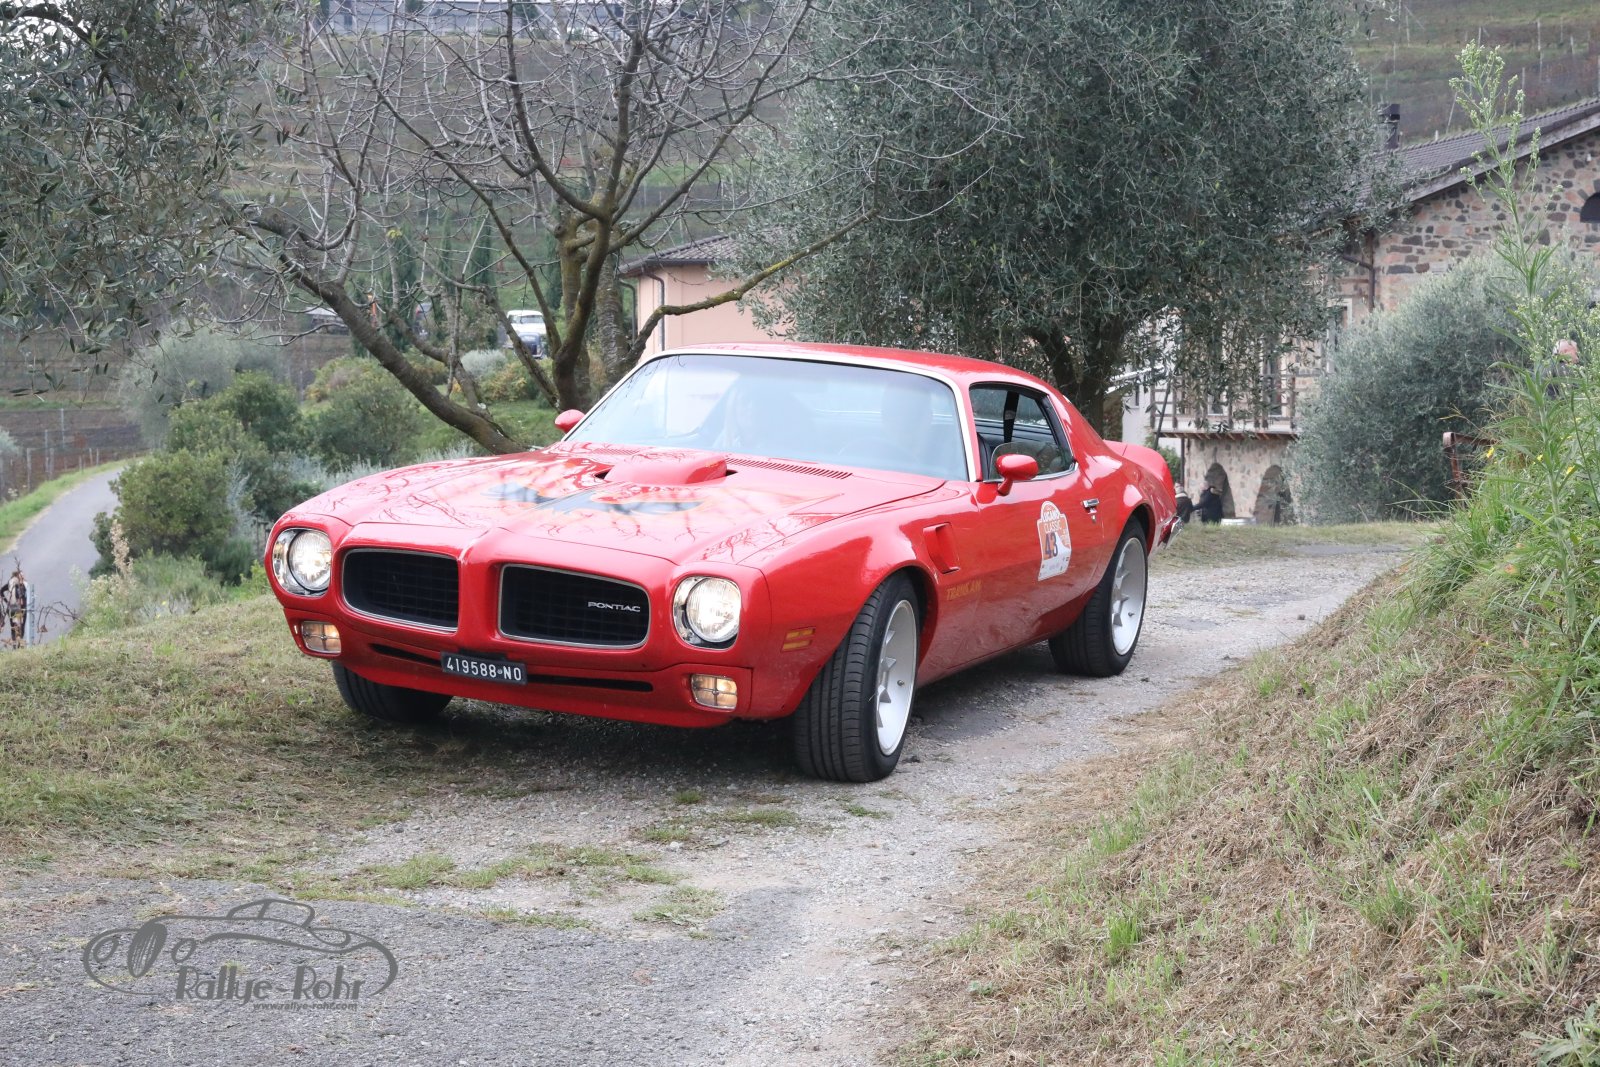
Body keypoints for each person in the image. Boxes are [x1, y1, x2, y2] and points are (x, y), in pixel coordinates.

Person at [4, 569, 28, 648]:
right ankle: (15, 645)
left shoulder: (24, 584)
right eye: (21, 575)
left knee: (21, 626)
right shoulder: (14, 583)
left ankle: (19, 644)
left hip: (22, 607)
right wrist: (7, 601)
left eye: (23, 575)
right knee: (16, 626)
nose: (23, 576)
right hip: (15, 606)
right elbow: (1, 591)